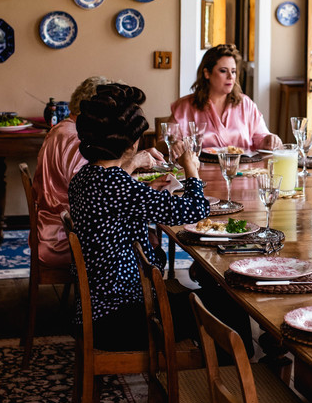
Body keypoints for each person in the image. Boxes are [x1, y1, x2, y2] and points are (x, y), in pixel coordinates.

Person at [68, 83, 208, 352]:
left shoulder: (84, 178)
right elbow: (196, 211)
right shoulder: (118, 186)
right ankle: (227, 382)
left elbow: (120, 193)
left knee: (205, 300)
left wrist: (131, 165)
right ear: (130, 143)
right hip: (121, 319)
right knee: (219, 306)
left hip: (96, 311)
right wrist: (191, 169)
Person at [32, 76, 119, 268]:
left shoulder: (62, 128)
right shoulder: (75, 139)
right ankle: (137, 296)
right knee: (145, 243)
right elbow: (92, 196)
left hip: (50, 226)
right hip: (63, 239)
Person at [171, 43, 283, 151]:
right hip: (199, 170)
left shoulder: (246, 104)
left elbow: (261, 138)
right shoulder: (185, 107)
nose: (230, 76)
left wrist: (270, 140)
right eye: (223, 71)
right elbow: (164, 143)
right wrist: (174, 145)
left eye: (233, 71)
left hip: (244, 169)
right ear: (207, 73)